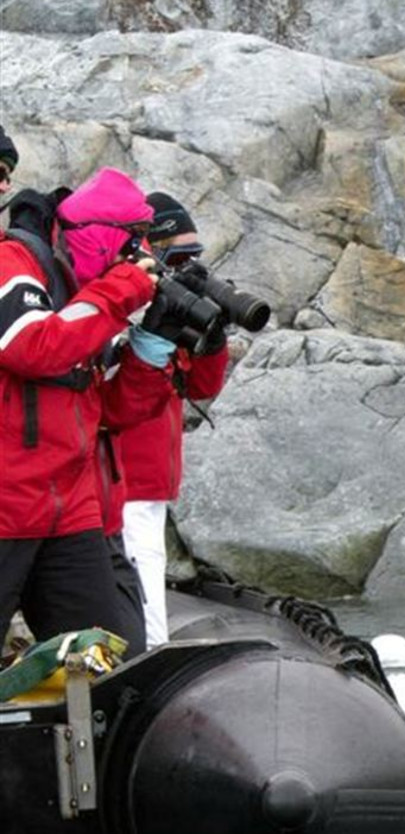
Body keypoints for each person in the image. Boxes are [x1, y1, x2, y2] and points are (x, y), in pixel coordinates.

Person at [0, 167, 173, 656]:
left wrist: (151, 352)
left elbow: (110, 412)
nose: (136, 260)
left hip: (67, 508)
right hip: (7, 506)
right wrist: (122, 292)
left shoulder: (84, 294)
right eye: (131, 243)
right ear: (101, 238)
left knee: (112, 661)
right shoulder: (13, 262)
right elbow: (33, 346)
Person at [112, 192, 233, 648]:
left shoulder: (171, 302)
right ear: (149, 248)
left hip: (152, 480)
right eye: (177, 256)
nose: (186, 266)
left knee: (146, 574)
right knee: (140, 605)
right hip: (123, 478)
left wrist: (213, 336)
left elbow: (200, 387)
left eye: (194, 256)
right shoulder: (127, 298)